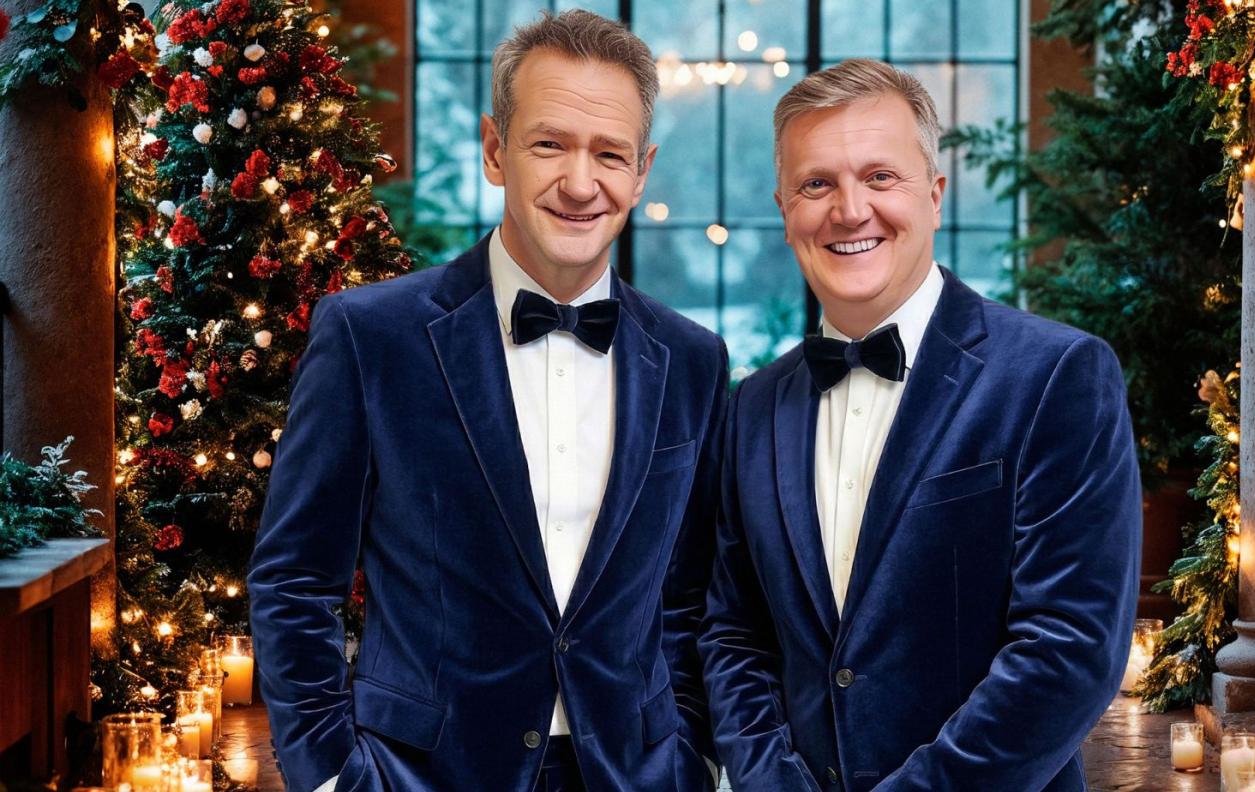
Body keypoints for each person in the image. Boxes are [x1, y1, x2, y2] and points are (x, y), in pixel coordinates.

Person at [248, 11, 726, 791]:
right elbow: (296, 579)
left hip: (636, 773)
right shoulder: (373, 336)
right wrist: (333, 774)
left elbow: (694, 596)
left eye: (609, 154)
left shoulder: (694, 360)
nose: (580, 183)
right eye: (549, 144)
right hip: (420, 774)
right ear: (496, 149)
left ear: (642, 171)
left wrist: (694, 755)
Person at [700, 59, 1142, 792]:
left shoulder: (1057, 376)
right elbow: (732, 634)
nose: (849, 210)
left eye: (880, 177)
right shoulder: (753, 406)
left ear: (934, 196)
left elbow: (1067, 651)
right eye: (817, 184)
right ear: (785, 211)